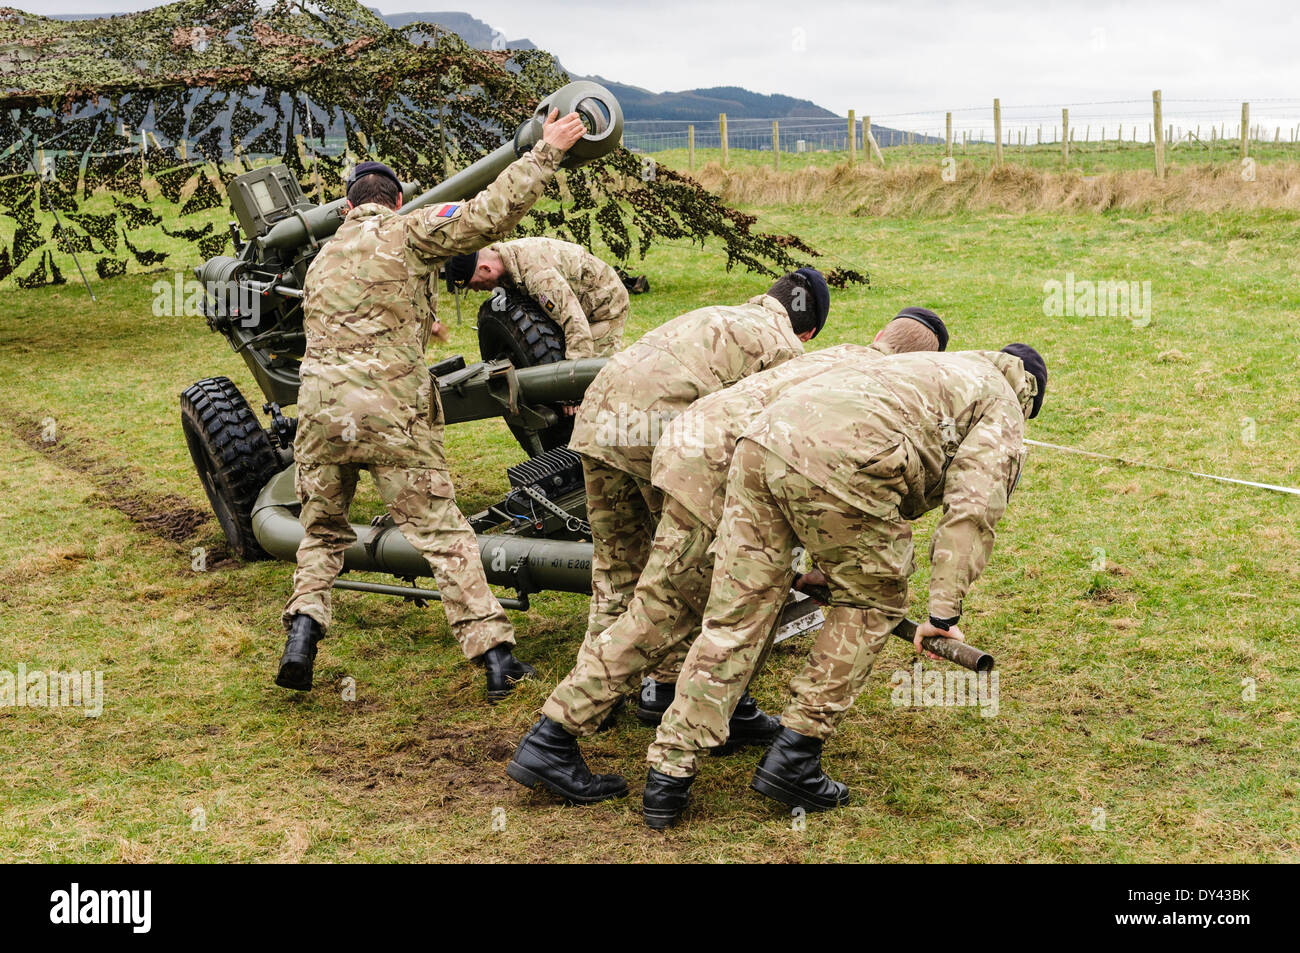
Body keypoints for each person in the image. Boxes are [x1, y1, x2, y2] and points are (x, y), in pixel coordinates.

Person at [507, 309, 947, 805]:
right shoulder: (883, 393)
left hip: (689, 451)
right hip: (721, 475)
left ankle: (707, 716)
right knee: (676, 614)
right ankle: (555, 736)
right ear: (927, 368)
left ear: (878, 334)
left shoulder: (837, 355)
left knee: (684, 606)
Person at [641, 344, 1047, 828]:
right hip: (836, 463)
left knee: (737, 614)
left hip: (759, 444)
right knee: (874, 600)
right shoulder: (1004, 402)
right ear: (1031, 396)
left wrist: (826, 563)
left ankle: (667, 774)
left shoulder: (932, 368)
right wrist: (943, 615)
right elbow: (972, 511)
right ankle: (796, 755)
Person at [275, 109, 588, 704]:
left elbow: (356, 318)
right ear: (396, 203)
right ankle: (496, 657)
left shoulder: (320, 261)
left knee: (320, 532)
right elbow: (487, 214)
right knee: (444, 535)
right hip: (391, 413)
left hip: (318, 412)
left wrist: (423, 323)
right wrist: (545, 152)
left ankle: (303, 633)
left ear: (347, 210)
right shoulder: (410, 231)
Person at [568, 269, 829, 676]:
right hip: (654, 436)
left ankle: (590, 683)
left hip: (596, 420)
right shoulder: (784, 349)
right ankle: (664, 683)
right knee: (677, 568)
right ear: (808, 333)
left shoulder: (716, 313)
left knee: (615, 567)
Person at [444, 237, 629, 358]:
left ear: (486, 268)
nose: (476, 290)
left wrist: (572, 384)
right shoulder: (505, 267)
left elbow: (575, 321)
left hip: (603, 305)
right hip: (572, 300)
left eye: (475, 284)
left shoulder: (537, 275)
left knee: (594, 381)